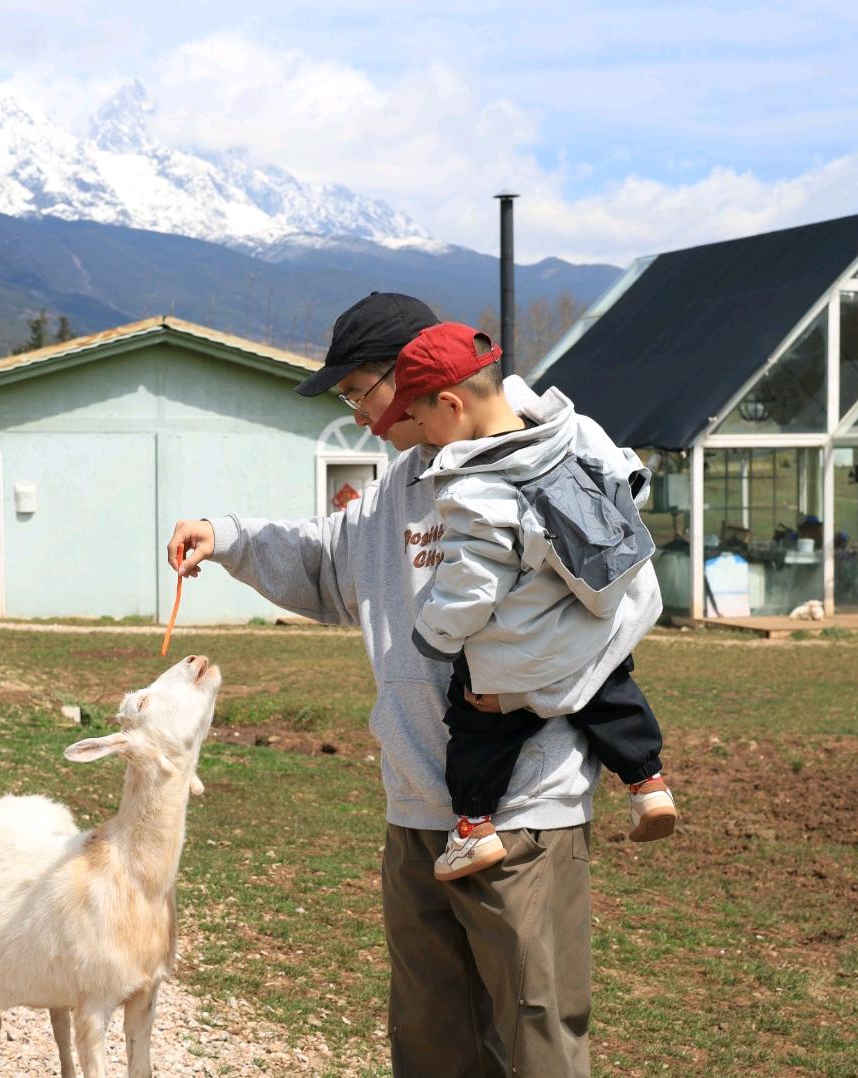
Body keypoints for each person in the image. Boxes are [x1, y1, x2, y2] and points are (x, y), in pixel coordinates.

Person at [166, 292, 662, 1078]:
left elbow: (626, 600)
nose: (360, 417)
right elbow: (325, 560)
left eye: (361, 392)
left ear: (421, 376)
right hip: (419, 814)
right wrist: (226, 537)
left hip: (524, 814)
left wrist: (527, 688)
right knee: (432, 1043)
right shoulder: (400, 487)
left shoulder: (556, 453)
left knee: (538, 1041)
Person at [370, 322, 675, 883]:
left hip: (519, 659)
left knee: (476, 722)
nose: (420, 435)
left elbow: (471, 589)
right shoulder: (571, 432)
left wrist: (433, 634)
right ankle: (648, 782)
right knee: (610, 689)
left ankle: (473, 828)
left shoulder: (473, 489)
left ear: (450, 405)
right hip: (598, 624)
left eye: (417, 417)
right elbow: (632, 482)